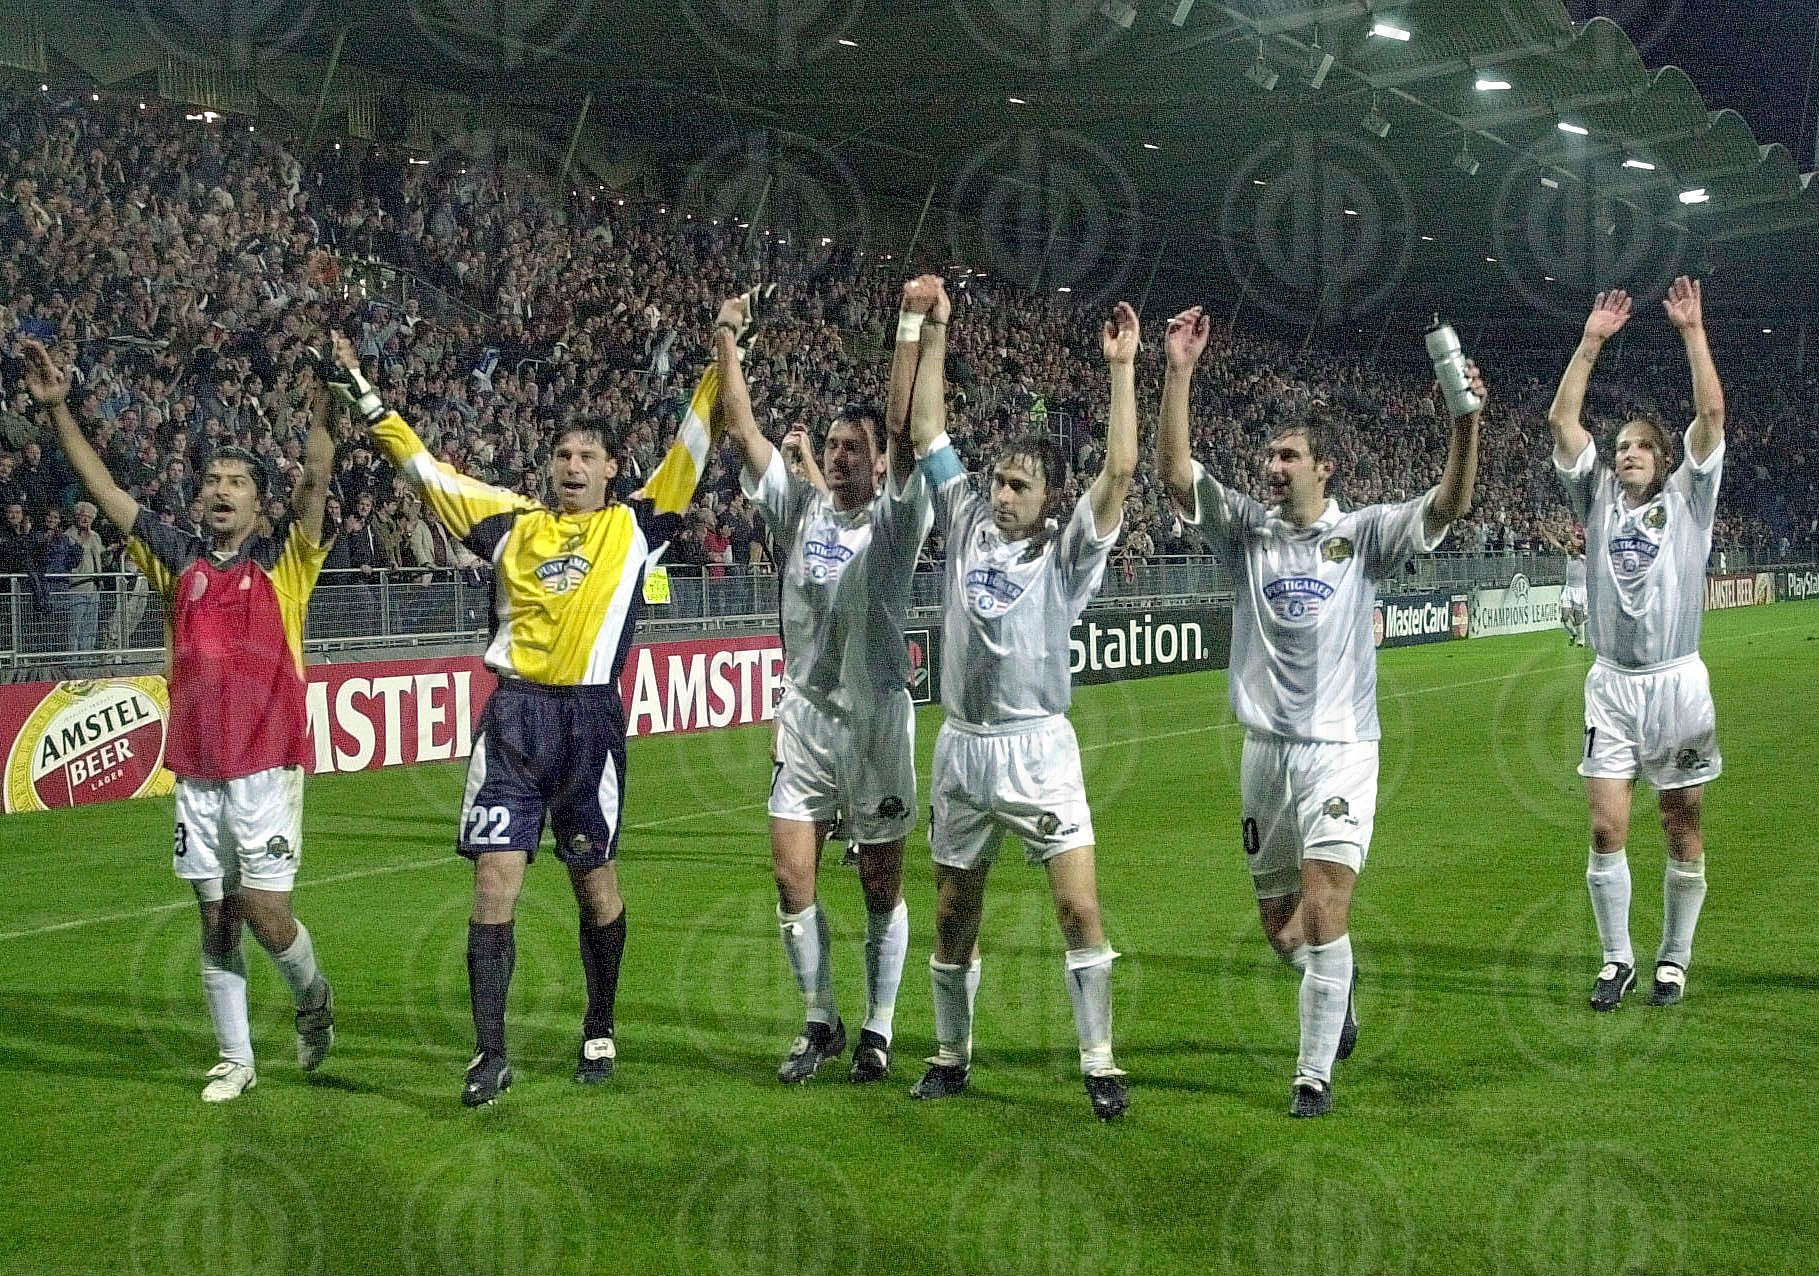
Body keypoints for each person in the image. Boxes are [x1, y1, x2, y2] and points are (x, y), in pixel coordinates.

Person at [329, 335, 682, 1106]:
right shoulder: (511, 523)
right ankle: (489, 1053)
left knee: (595, 887)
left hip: (589, 723)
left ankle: (599, 1023)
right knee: (493, 884)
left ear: (613, 468)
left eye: (588, 456)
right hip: (515, 719)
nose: (572, 466)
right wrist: (363, 394)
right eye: (562, 454)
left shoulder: (636, 527)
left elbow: (694, 443)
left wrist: (723, 358)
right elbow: (426, 471)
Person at [1158, 305, 1484, 1118]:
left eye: (1288, 456)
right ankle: (1336, 993)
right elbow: (1174, 475)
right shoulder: (1246, 532)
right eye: (1269, 455)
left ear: (1325, 468)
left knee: (1325, 905)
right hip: (1264, 753)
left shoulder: (1362, 536)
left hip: (1340, 749)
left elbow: (1448, 505)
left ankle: (1311, 1076)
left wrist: (1463, 420)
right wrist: (1177, 372)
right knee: (1282, 929)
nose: (1272, 467)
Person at [22, 337, 338, 1103]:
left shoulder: (285, 564)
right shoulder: (176, 560)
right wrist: (58, 409)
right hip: (197, 769)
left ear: (259, 504)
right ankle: (235, 1058)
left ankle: (312, 998)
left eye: (237, 482)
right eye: (212, 481)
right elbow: (103, 489)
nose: (222, 490)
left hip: (267, 771)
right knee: (215, 918)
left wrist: (327, 402)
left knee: (266, 915)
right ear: (200, 499)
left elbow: (317, 477)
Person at [902, 277, 1139, 1120]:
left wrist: (1121, 368)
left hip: (1038, 749)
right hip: (962, 746)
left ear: (1048, 501)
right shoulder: (964, 518)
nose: (1002, 496)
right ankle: (950, 1055)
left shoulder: (1067, 553)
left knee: (1077, 906)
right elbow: (926, 430)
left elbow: (1120, 469)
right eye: (998, 481)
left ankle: (1099, 1060)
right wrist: (936, 329)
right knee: (952, 912)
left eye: (1019, 487)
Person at [713, 285, 931, 1085]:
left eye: (851, 448)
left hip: (876, 722)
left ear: (877, 463)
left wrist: (909, 326)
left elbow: (905, 429)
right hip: (804, 719)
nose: (837, 456)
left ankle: (878, 1027)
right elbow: (742, 428)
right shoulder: (800, 510)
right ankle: (820, 1019)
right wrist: (727, 334)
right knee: (790, 876)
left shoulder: (898, 520)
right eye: (831, 445)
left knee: (879, 884)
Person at [1544, 280, 1725, 1012]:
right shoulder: (1594, 499)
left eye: (1643, 445)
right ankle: (1616, 958)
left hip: (1676, 684)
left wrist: (1692, 333)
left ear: (1664, 457)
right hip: (1612, 685)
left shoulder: (1689, 500)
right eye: (1621, 446)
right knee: (1604, 825)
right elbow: (1562, 420)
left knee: (1680, 821)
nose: (1628, 453)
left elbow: (1711, 415)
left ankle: (1673, 959)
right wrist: (1590, 342)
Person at [1546, 526, 1589, 647]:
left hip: (1580, 590)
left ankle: (1581, 640)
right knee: (1565, 617)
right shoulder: (1568, 556)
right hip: (1569, 588)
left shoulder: (1584, 559)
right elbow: (1555, 543)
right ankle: (1573, 633)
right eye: (1569, 546)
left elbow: (1578, 543)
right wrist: (1546, 532)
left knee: (1578, 617)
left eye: (1572, 547)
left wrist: (1569, 532)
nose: (1570, 548)